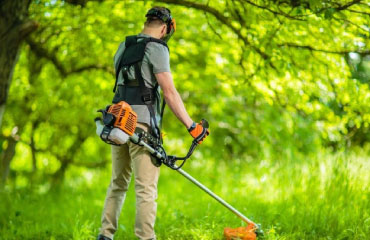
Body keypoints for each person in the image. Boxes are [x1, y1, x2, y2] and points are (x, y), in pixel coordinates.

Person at [97, 6, 209, 240]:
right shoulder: (157, 48)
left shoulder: (123, 46)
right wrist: (192, 126)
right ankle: (146, 238)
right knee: (145, 189)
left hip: (117, 123)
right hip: (141, 126)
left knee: (117, 184)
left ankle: (105, 235)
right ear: (166, 27)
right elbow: (169, 92)